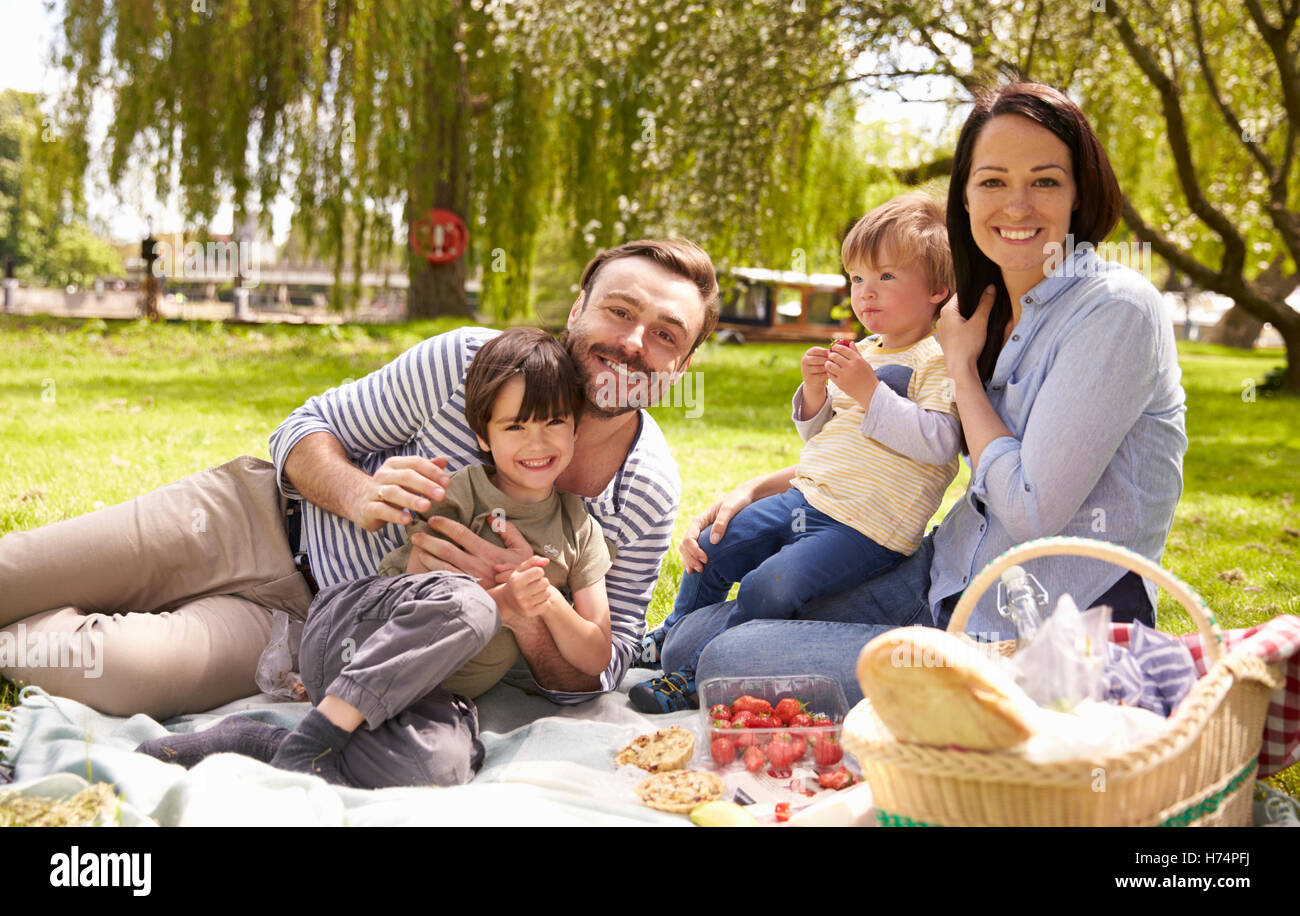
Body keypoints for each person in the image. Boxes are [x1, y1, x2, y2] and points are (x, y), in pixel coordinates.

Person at [0, 238, 718, 720]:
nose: (632, 343)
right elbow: (302, 429)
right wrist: (357, 492)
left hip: (306, 636)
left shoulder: (646, 490)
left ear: (681, 369)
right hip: (251, 520)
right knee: (15, 573)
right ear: (578, 310)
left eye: (665, 336)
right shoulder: (471, 361)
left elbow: (601, 670)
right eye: (620, 311)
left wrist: (526, 615)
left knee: (98, 666)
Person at [661, 82, 1187, 705]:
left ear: (1080, 192)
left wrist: (963, 367)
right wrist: (759, 487)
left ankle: (943, 691)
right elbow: (900, 447)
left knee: (728, 656)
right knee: (685, 643)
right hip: (941, 576)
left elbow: (1029, 510)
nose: (1016, 205)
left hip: (1033, 635)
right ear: (964, 196)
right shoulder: (988, 309)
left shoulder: (1114, 310)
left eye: (1045, 181)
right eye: (992, 181)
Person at [136, 328, 615, 786]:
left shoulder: (579, 529)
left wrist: (547, 602)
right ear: (484, 437)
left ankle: (264, 742)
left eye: (555, 422)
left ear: (576, 431)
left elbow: (595, 655)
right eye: (516, 426)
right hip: (354, 641)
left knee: (441, 768)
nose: (538, 442)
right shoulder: (458, 494)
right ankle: (313, 744)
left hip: (420, 697)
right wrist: (499, 600)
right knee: (470, 604)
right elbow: (406, 583)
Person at [630, 192, 961, 713]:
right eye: (856, 279)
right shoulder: (866, 351)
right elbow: (823, 438)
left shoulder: (939, 359)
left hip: (866, 529)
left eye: (887, 278)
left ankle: (699, 674)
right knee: (717, 545)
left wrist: (869, 390)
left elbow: (940, 442)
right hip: (809, 498)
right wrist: (814, 395)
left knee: (770, 587)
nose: (865, 294)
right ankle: (669, 633)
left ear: (938, 289)